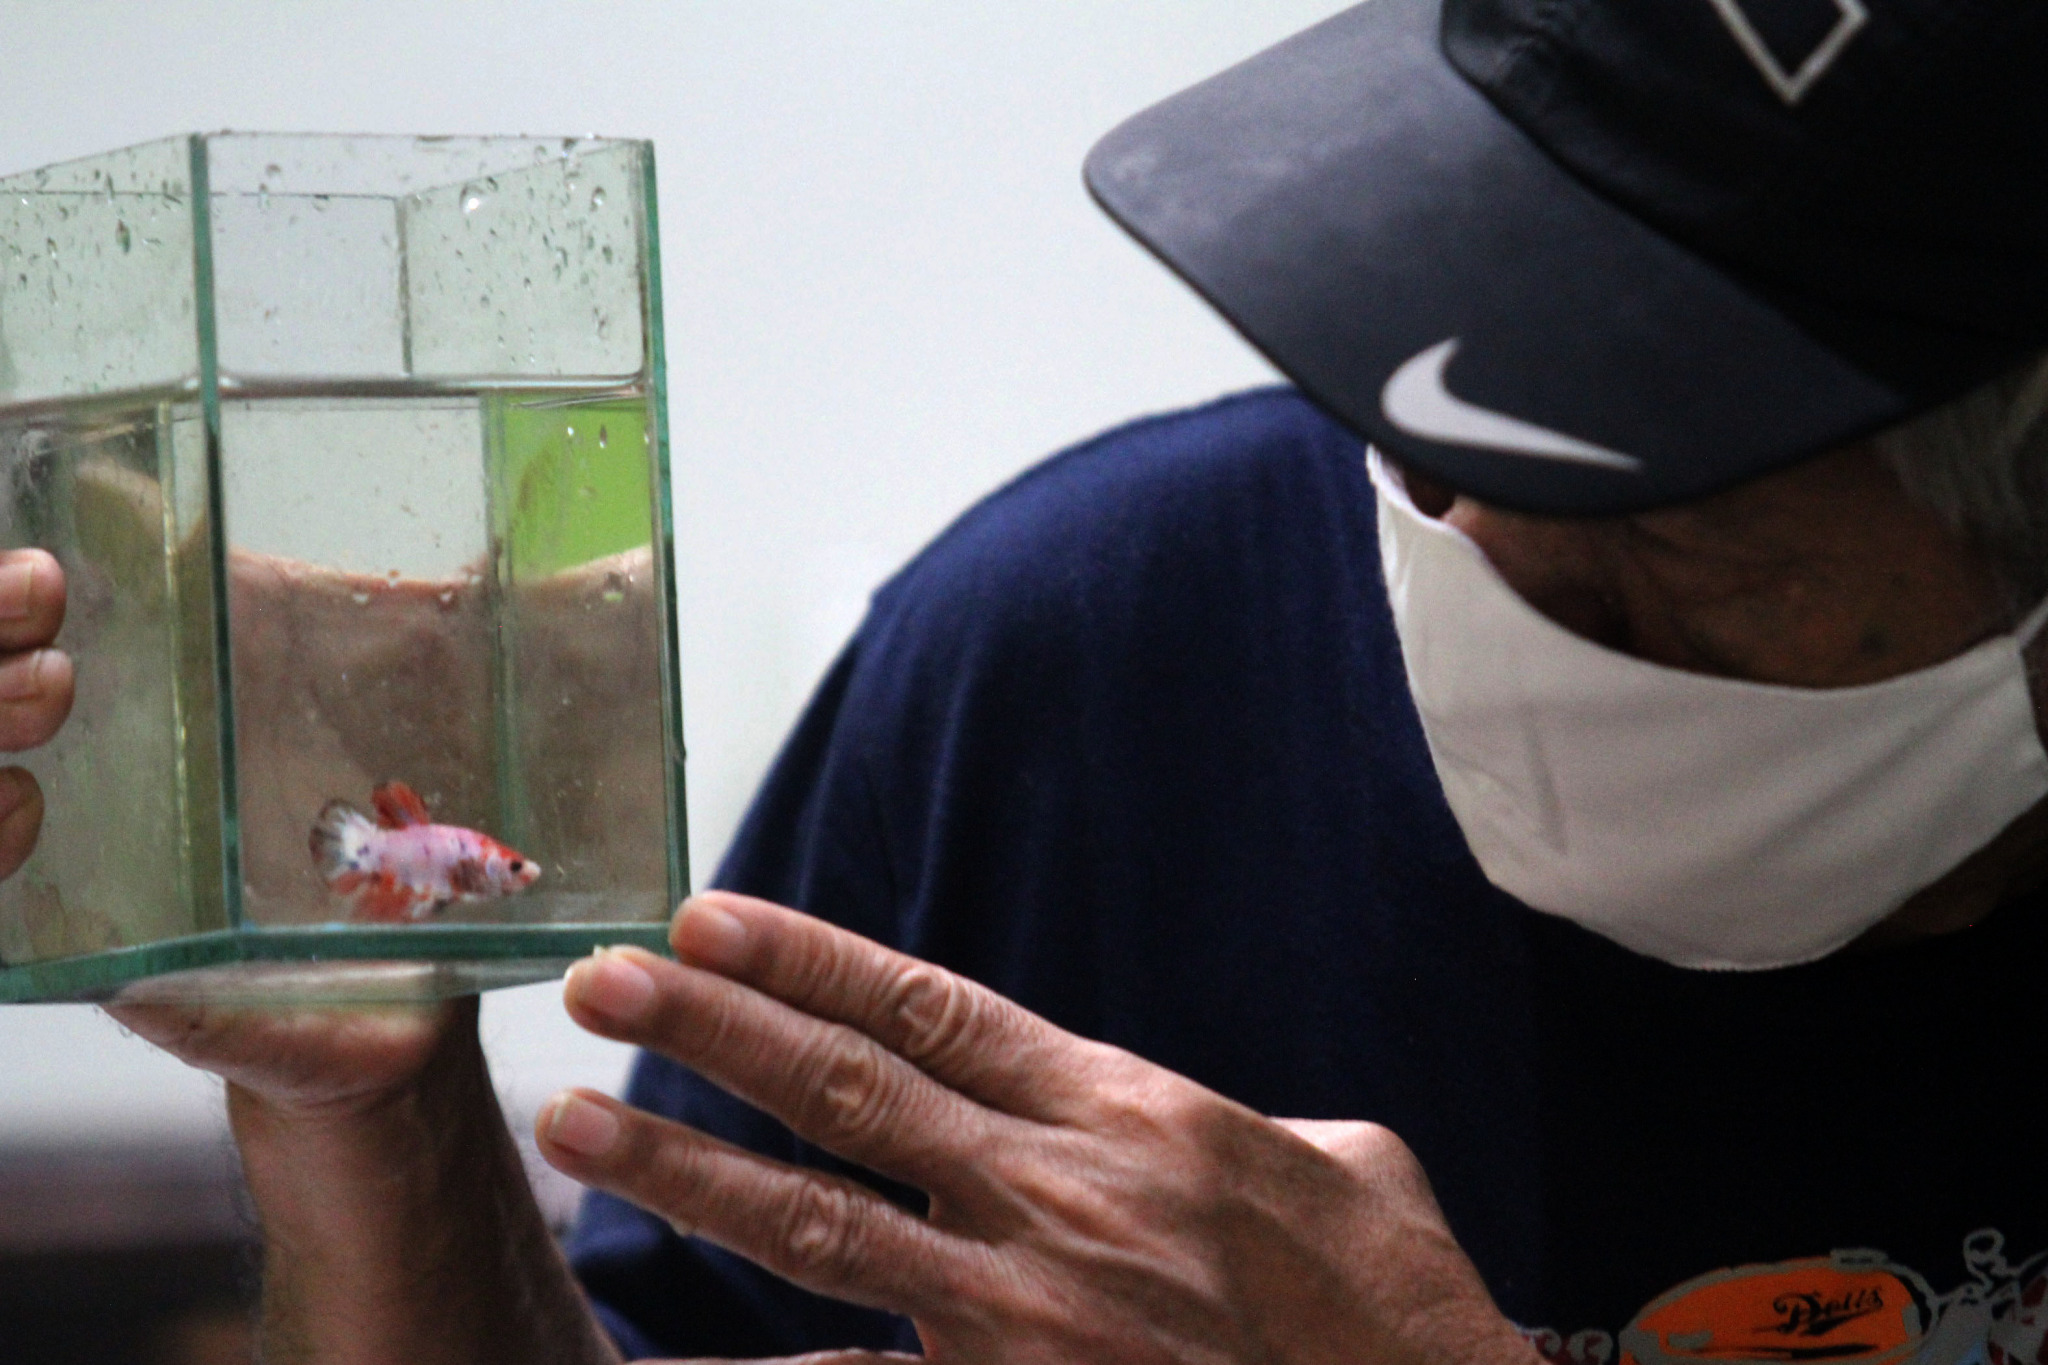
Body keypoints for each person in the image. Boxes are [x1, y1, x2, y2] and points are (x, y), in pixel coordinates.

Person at [11, 0, 2048, 1360]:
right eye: (1439, 402)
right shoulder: (1076, 648)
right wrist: (367, 1112)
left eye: (1659, 502)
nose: (1483, 541)